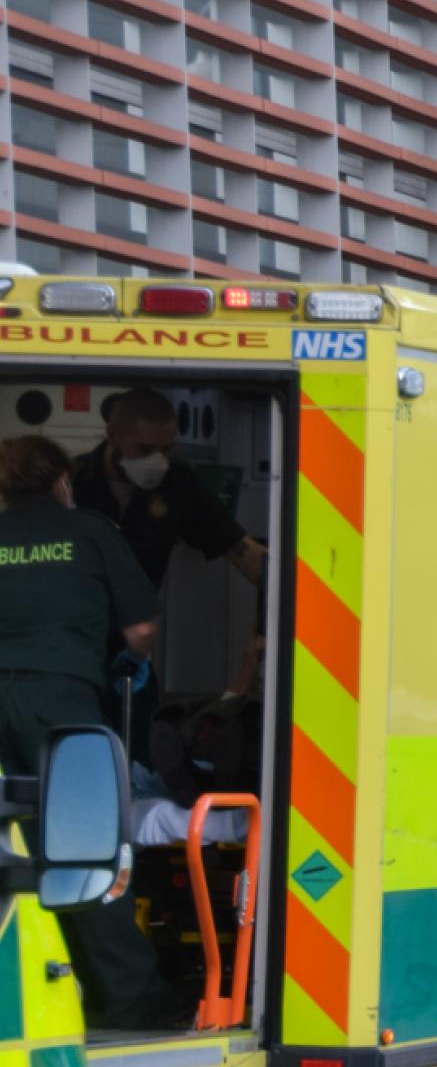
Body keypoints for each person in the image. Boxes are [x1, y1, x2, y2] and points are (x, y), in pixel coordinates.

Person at [0, 435, 179, 1028]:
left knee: (12, 849)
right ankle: (132, 1000)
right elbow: (141, 630)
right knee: (85, 846)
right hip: (61, 703)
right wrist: (124, 662)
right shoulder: (91, 532)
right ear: (63, 482)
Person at [71, 386, 265, 589]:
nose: (157, 461)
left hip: (139, 615)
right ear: (112, 435)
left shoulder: (178, 484)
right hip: (77, 613)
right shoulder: (72, 482)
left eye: (166, 450)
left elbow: (237, 547)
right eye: (144, 449)